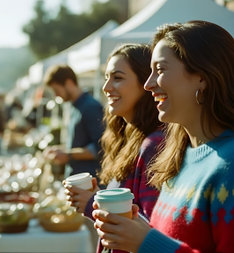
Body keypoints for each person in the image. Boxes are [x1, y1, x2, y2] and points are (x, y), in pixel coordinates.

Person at [92, 20, 234, 253]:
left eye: (160, 70)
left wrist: (146, 241)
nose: (148, 85)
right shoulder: (177, 158)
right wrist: (138, 230)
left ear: (202, 76)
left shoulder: (229, 165)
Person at [64, 44, 164, 253]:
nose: (106, 87)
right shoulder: (124, 137)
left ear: (146, 83)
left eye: (117, 78)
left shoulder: (154, 145)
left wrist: (94, 204)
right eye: (106, 78)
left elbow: (152, 229)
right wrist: (101, 196)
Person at [43, 65, 104, 177]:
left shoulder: (91, 107)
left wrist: (67, 154)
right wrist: (60, 150)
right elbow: (79, 143)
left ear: (69, 83)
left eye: (56, 90)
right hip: (76, 178)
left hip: (89, 181)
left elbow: (100, 147)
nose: (56, 95)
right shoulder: (72, 107)